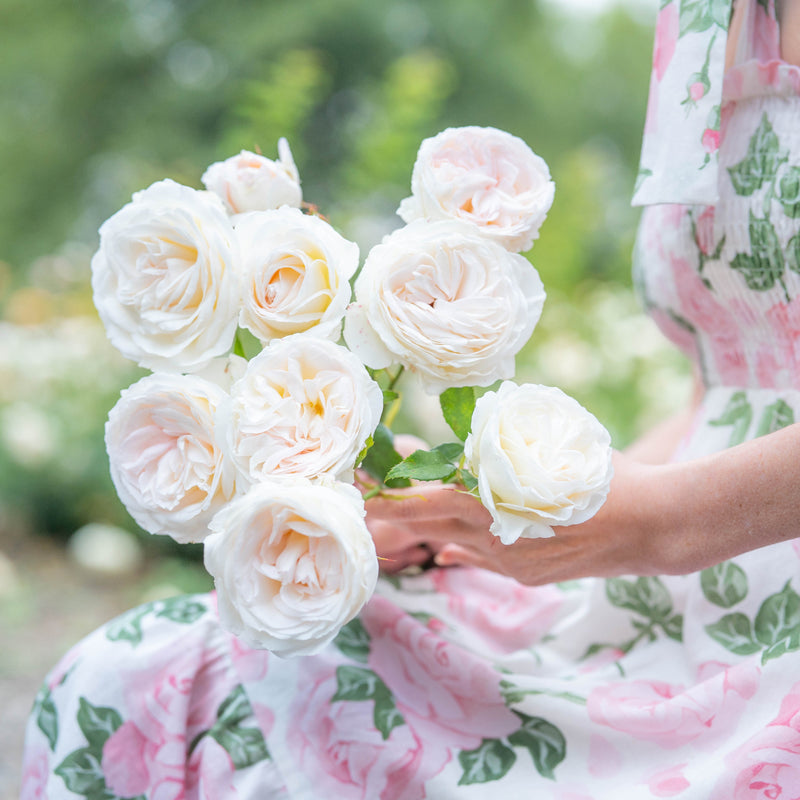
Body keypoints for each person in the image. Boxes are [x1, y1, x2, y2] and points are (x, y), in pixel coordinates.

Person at [21, 0, 800, 797]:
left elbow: (671, 511)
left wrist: (661, 524)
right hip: (661, 595)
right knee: (134, 688)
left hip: (754, 616)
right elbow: (739, 379)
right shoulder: (704, 19)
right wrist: (509, 518)